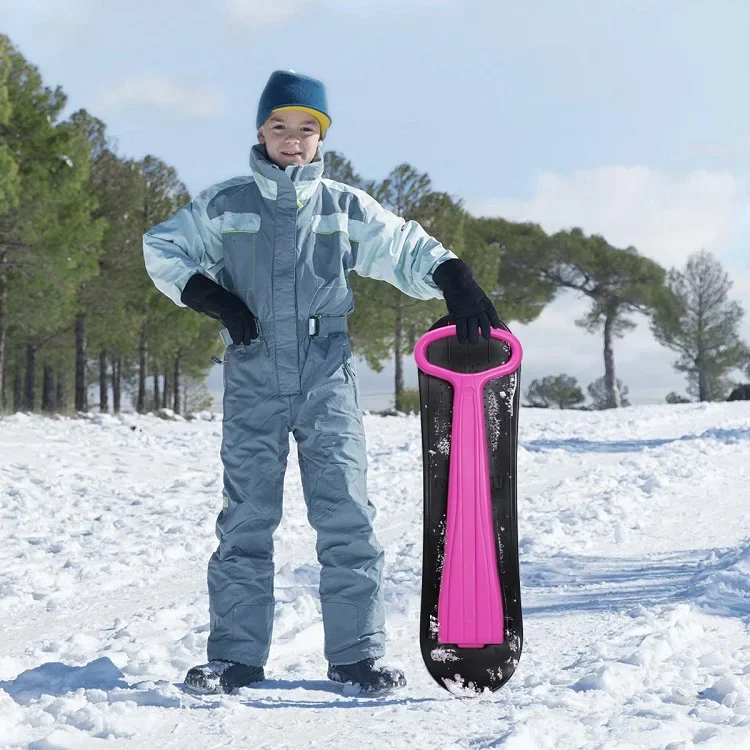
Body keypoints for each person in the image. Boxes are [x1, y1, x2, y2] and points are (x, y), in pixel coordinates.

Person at [142, 70, 500, 696]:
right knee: (246, 517)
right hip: (253, 371)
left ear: (321, 136)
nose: (293, 139)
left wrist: (453, 275)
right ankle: (234, 656)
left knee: (345, 515)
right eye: (280, 126)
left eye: (307, 128)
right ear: (260, 131)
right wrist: (214, 299)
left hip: (326, 374)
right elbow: (163, 247)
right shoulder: (227, 204)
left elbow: (401, 246)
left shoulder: (342, 205)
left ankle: (358, 655)